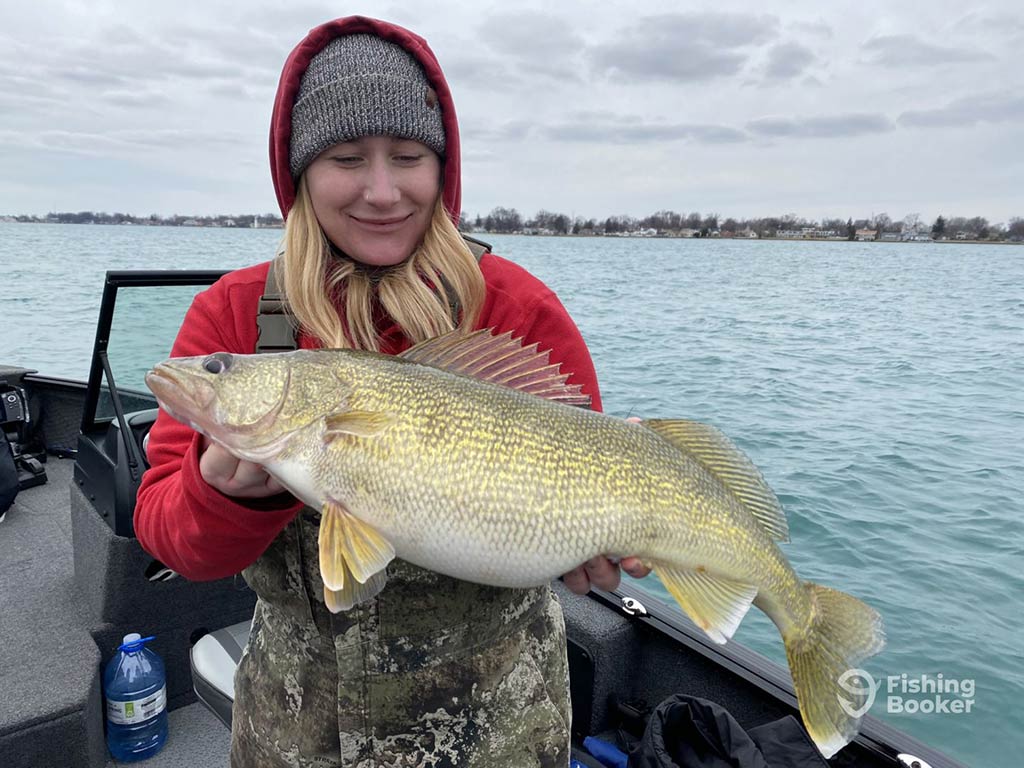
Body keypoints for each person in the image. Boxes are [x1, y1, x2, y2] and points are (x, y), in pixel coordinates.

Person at [135, 15, 648, 768]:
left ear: (443, 168)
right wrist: (225, 492)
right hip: (294, 732)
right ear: (300, 172)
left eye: (409, 156)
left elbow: (576, 475)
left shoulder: (517, 309)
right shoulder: (238, 313)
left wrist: (582, 550)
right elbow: (166, 535)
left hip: (495, 733)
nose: (382, 190)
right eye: (346, 158)